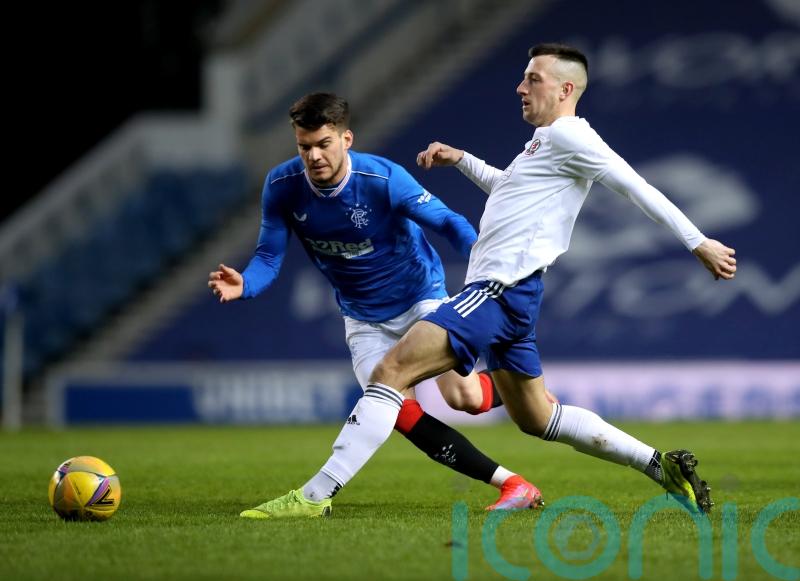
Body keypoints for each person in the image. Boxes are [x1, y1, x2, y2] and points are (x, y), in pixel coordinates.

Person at [261, 44, 738, 518]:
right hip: (517, 298)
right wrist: (462, 159)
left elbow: (635, 185)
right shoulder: (548, 142)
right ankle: (662, 467)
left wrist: (699, 242)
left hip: (496, 291)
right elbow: (509, 187)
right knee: (539, 418)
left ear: (565, 88)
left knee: (390, 374)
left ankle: (314, 496)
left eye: (533, 79)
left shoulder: (572, 136)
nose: (520, 87)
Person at [208, 92, 546, 519]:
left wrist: (484, 265)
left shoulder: (384, 179)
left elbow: (447, 221)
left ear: (346, 138)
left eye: (323, 144)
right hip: (362, 316)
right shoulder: (281, 187)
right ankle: (511, 483)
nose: (313, 156)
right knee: (396, 410)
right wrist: (247, 283)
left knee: (464, 397)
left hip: (420, 298)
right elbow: (270, 256)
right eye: (304, 146)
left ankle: (525, 388)